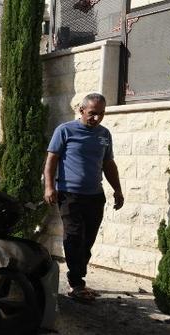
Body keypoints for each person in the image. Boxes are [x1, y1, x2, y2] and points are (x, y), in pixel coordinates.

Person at [44, 92, 124, 301]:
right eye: (92, 113)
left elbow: (108, 164)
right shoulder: (65, 130)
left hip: (95, 196)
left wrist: (118, 189)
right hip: (69, 195)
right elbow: (51, 161)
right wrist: (49, 187)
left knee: (87, 241)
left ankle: (77, 278)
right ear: (81, 110)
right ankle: (76, 284)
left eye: (101, 114)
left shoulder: (104, 134)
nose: (96, 118)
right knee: (74, 237)